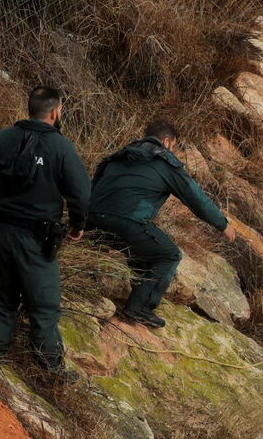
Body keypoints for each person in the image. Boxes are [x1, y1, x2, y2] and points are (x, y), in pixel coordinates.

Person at [0, 86, 91, 386]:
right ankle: (49, 367)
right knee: (43, 303)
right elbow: (81, 193)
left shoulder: (1, 139)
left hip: (2, 232)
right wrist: (77, 224)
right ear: (56, 111)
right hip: (37, 237)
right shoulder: (61, 148)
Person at [88, 120, 235, 328]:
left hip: (91, 220)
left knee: (141, 249)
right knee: (168, 254)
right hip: (126, 221)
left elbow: (92, 186)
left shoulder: (119, 156)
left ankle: (136, 297)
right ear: (167, 142)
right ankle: (138, 309)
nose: (173, 151)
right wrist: (222, 224)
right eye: (174, 147)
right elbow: (195, 199)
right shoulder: (164, 162)